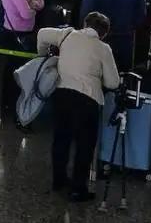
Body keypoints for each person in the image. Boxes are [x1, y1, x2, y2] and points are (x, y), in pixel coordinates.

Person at [39, 12, 121, 203]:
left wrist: (43, 56)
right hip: (87, 100)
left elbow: (42, 33)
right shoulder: (103, 48)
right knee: (84, 145)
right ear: (104, 33)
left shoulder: (67, 34)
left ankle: (58, 180)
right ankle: (78, 189)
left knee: (61, 139)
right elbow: (112, 82)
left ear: (84, 23)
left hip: (62, 94)